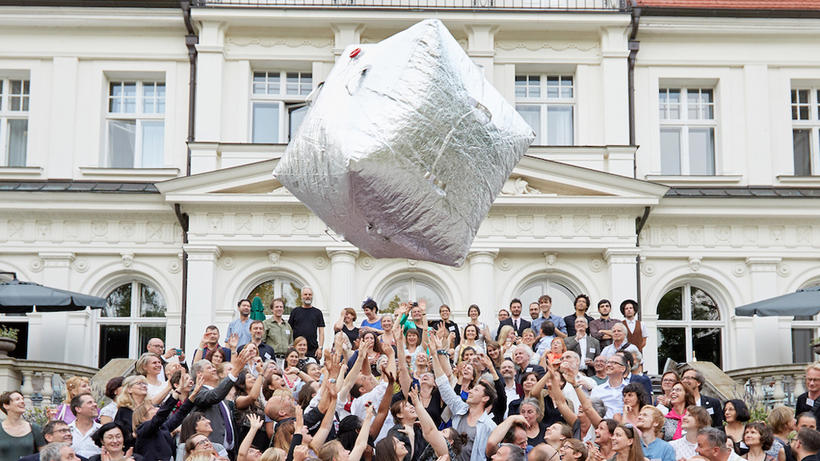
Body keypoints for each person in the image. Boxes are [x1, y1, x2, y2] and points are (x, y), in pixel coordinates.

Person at [430, 332, 498, 460]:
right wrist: (435, 354)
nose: (470, 391)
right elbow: (444, 385)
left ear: (485, 398)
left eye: (476, 390)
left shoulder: (490, 426)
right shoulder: (460, 408)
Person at [191, 346, 253, 451]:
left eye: (213, 367)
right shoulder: (196, 392)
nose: (214, 368)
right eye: (209, 367)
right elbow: (214, 396)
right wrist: (236, 370)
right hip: (210, 449)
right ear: (199, 374)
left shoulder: (222, 396)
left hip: (229, 452)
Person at [133, 371, 202, 461]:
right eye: (151, 409)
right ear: (142, 417)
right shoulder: (143, 429)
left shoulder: (163, 427)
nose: (156, 409)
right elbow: (161, 415)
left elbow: (180, 413)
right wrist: (178, 390)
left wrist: (194, 393)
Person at [0, 391, 46, 460]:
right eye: (17, 399)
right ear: (6, 405)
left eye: (22, 399)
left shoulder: (34, 428)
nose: (22, 402)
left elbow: (45, 455)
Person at [288, 286, 325, 359]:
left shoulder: (317, 312)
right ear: (301, 296)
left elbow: (321, 332)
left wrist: (320, 348)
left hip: (313, 350)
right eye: (305, 294)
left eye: (310, 294)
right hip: (297, 350)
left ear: (312, 296)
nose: (308, 296)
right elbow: (289, 330)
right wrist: (290, 345)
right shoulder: (295, 312)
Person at [590, 353, 629, 417]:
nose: (608, 365)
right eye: (608, 362)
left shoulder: (630, 389)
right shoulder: (597, 390)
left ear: (623, 368)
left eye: (614, 363)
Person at [68, 393, 101, 459]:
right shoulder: (67, 431)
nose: (95, 405)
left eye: (94, 402)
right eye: (89, 403)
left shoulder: (102, 430)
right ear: (78, 409)